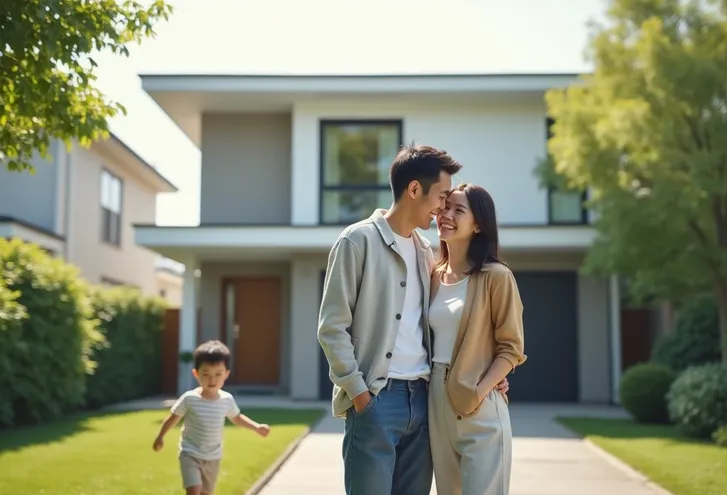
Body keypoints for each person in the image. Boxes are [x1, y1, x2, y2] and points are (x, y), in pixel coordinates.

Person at [317, 144, 509, 495]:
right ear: (414, 190)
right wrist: (360, 395)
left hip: (424, 403)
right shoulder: (357, 241)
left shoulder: (428, 254)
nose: (442, 210)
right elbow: (332, 328)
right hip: (376, 398)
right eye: (441, 197)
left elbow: (446, 324)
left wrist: (491, 372)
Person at [428, 183, 526, 495]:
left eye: (459, 210)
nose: (447, 215)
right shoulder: (431, 274)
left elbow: (511, 348)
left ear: (479, 224)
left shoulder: (496, 276)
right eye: (446, 207)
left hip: (479, 408)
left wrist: (480, 390)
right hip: (434, 401)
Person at [153, 340, 271, 495]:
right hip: (190, 453)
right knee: (194, 490)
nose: (212, 380)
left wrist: (256, 427)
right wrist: (160, 436)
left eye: (218, 374)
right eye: (206, 374)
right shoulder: (189, 398)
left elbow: (237, 418)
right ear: (196, 373)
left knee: (206, 493)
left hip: (213, 457)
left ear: (226, 374)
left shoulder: (226, 400)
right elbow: (173, 418)